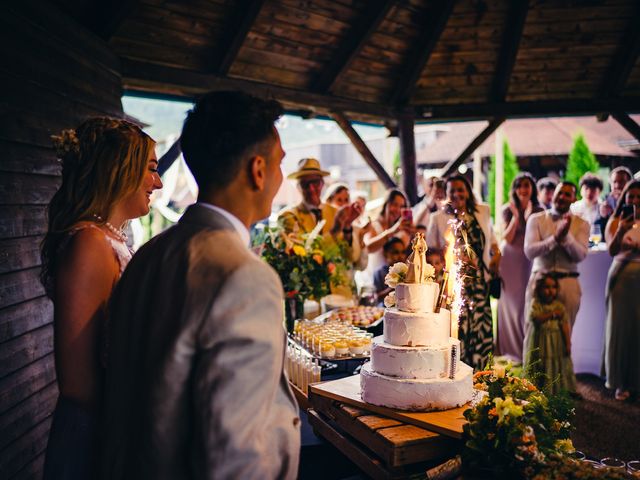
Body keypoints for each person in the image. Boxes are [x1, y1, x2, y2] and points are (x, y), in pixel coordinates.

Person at [100, 92, 300, 479]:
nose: (281, 177)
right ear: (258, 170)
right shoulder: (245, 276)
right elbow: (234, 454)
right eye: (280, 163)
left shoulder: (149, 254)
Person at [41, 118, 162, 479]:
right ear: (119, 169)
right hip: (99, 437)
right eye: (151, 170)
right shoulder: (89, 243)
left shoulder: (110, 239)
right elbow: (78, 383)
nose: (157, 182)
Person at [427, 175, 500, 370]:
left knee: (481, 328)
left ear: (468, 191)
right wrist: (456, 258)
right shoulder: (438, 218)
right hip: (455, 285)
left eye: (461, 189)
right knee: (458, 329)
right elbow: (431, 251)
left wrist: (496, 254)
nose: (458, 194)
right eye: (453, 191)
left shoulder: (483, 211)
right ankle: (458, 371)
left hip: (479, 282)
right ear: (447, 194)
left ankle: (481, 375)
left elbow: (491, 238)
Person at [523, 181, 589, 359]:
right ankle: (532, 384)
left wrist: (565, 237)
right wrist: (554, 239)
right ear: (554, 195)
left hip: (568, 283)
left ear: (574, 198)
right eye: (560, 192)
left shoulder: (582, 224)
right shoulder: (535, 219)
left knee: (564, 336)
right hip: (540, 281)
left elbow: (580, 255)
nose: (562, 197)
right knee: (533, 334)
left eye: (568, 194)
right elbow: (530, 251)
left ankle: (562, 383)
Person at [278, 159, 366, 289]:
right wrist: (335, 230)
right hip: (311, 295)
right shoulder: (288, 217)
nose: (311, 189)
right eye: (305, 184)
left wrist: (347, 227)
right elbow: (305, 259)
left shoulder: (335, 212)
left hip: (341, 293)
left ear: (322, 183)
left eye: (315, 182)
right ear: (298, 187)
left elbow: (352, 258)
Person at [496, 173, 543, 363]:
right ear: (515, 189)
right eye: (520, 186)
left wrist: (529, 215)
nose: (524, 189)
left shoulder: (539, 209)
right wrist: (517, 217)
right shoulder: (508, 210)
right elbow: (506, 238)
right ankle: (510, 350)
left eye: (527, 185)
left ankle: (529, 348)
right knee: (512, 305)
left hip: (530, 259)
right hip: (510, 259)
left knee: (527, 303)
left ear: (532, 188)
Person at [603, 179, 640, 401]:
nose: (634, 201)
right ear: (624, 198)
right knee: (621, 328)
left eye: (638, 197)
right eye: (630, 196)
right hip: (621, 277)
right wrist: (621, 232)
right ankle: (620, 381)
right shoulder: (615, 221)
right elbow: (611, 249)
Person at [523, 273, 577, 395]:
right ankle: (537, 389)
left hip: (556, 344)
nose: (550, 291)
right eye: (546, 287)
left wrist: (568, 343)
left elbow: (565, 325)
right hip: (540, 344)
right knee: (540, 365)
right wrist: (552, 314)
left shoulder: (559, 306)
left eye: (553, 287)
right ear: (539, 289)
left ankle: (556, 390)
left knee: (555, 366)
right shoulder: (536, 303)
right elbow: (535, 318)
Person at [364, 189, 415, 277]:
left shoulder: (401, 230)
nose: (398, 210)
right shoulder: (374, 225)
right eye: (395, 205)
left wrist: (412, 235)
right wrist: (393, 231)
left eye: (401, 207)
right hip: (373, 280)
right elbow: (367, 248)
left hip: (393, 282)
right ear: (386, 204)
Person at [595, 166, 633, 241]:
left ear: (630, 183)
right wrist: (603, 216)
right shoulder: (605, 201)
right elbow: (598, 230)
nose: (617, 185)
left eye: (621, 181)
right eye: (614, 182)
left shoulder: (635, 200)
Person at [373, 237, 406, 303]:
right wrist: (394, 286)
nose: (401, 256)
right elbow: (375, 298)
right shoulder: (379, 273)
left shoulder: (407, 272)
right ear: (385, 254)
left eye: (402, 252)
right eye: (396, 252)